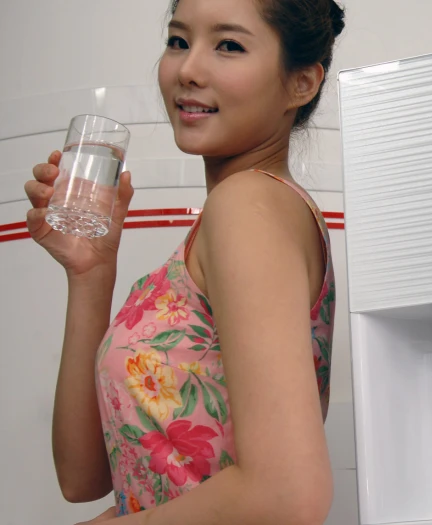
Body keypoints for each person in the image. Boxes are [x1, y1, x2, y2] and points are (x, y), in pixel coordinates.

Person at [23, 0, 343, 522]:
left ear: (301, 83)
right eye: (178, 41)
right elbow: (84, 478)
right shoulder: (261, 211)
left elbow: (287, 497)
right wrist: (90, 272)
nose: (188, 70)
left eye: (229, 46)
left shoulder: (247, 207)